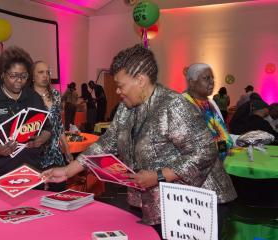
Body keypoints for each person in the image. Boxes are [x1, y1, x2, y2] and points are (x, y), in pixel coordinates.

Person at [44, 45, 236, 236]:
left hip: (196, 203)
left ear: (141, 80)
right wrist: (68, 171)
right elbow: (105, 144)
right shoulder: (126, 108)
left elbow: (205, 151)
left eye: (121, 85)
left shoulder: (174, 105)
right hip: (161, 202)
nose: (118, 91)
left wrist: (159, 175)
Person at [0, 46, 51, 186]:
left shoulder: (34, 98)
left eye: (24, 76)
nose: (19, 80)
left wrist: (41, 139)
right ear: (2, 74)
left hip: (30, 171)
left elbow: (48, 129)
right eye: (13, 76)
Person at [31, 61, 73, 192]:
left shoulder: (55, 95)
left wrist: (66, 148)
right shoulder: (27, 96)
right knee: (37, 194)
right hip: (36, 154)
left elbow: (59, 123)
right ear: (32, 76)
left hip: (55, 153)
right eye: (40, 72)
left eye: (47, 72)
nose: (45, 75)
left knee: (58, 191)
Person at [183, 64, 234, 161]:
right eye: (206, 78)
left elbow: (222, 134)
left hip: (218, 163)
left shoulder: (209, 103)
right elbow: (197, 146)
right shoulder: (183, 104)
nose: (212, 82)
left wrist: (225, 147)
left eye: (212, 78)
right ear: (192, 83)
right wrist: (223, 147)